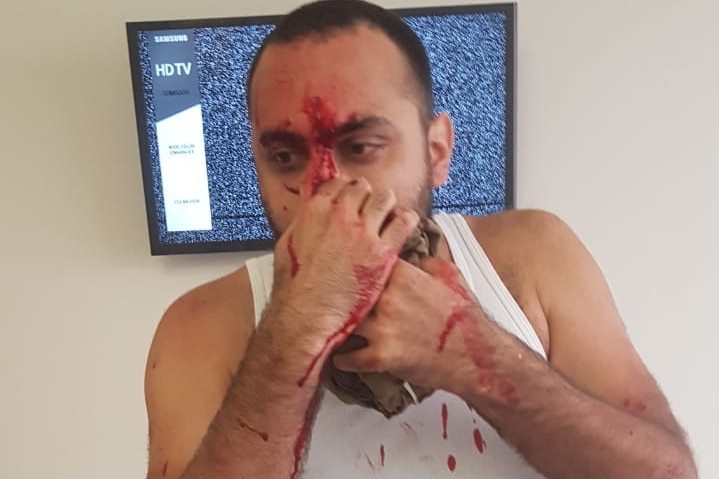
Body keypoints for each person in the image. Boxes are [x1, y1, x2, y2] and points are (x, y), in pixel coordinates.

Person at [143, 1, 697, 478]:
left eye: (361, 147)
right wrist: (297, 330)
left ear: (436, 151)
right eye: (285, 157)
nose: (323, 196)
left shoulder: (531, 256)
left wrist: (472, 355)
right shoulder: (200, 327)